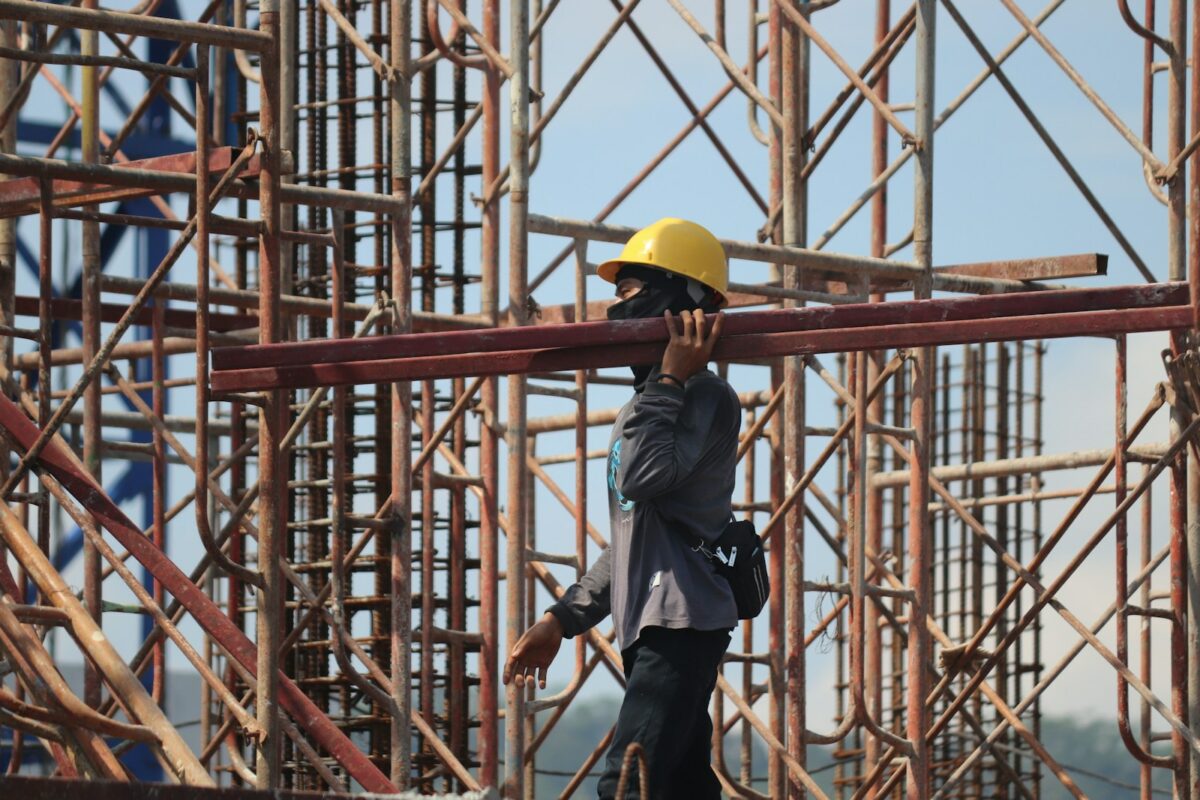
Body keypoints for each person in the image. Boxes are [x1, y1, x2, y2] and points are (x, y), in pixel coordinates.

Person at [502, 218, 741, 799]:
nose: (618, 308)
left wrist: (670, 379)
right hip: (650, 627)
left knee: (627, 785)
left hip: (681, 623)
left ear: (686, 301)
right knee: (681, 788)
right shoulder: (644, 406)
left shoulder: (704, 395)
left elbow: (641, 477)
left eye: (631, 291)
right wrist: (562, 619)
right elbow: (634, 537)